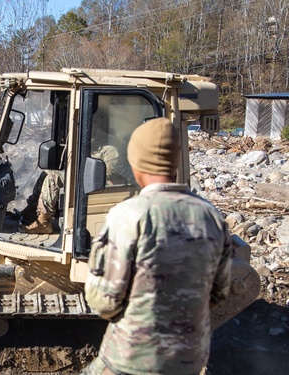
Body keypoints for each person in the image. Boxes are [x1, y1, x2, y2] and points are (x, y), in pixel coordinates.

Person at [81, 118, 233, 375]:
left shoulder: (128, 215)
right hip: (190, 360)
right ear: (175, 161)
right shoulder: (212, 218)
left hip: (131, 359)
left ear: (136, 163)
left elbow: (104, 302)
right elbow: (219, 294)